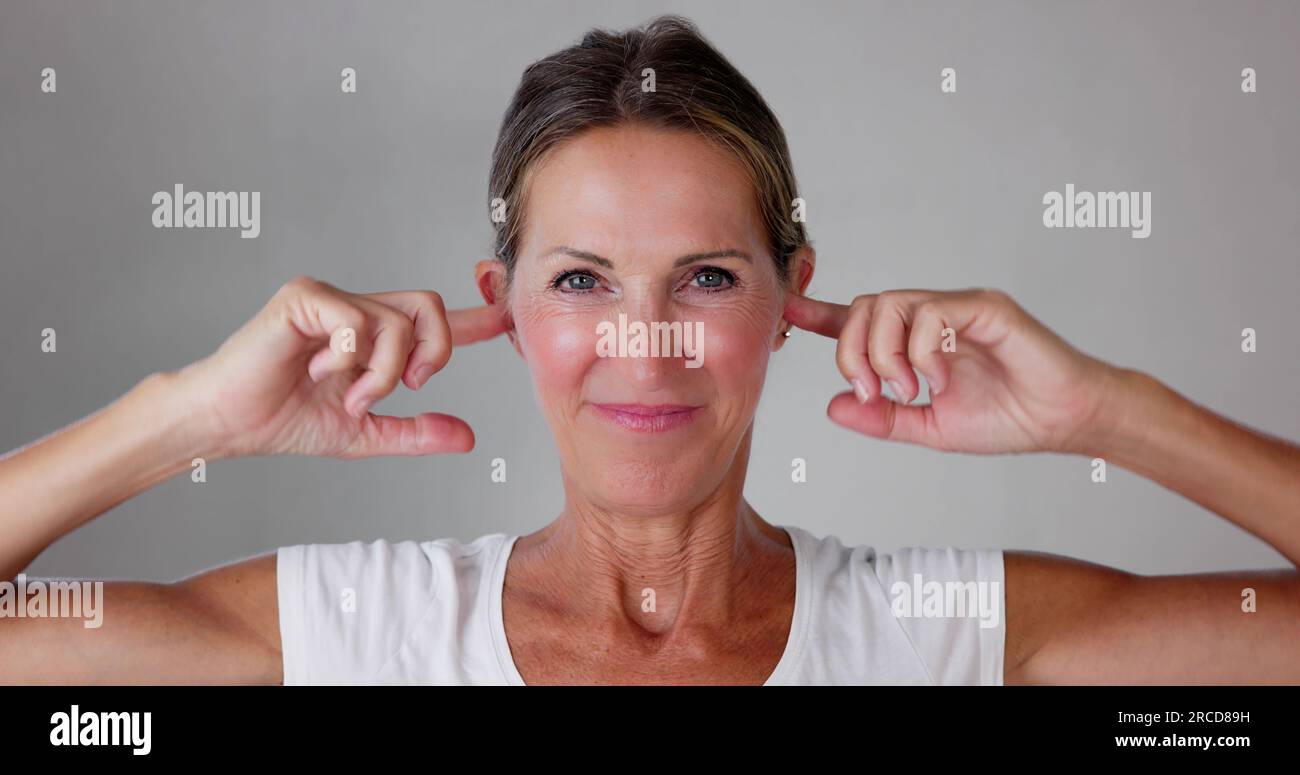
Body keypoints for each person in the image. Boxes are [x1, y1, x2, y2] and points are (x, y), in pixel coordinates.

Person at [2, 15, 1297, 685]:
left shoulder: (948, 631)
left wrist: (1106, 414)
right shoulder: (354, 632)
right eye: (580, 279)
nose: (642, 334)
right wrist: (193, 417)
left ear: (792, 296)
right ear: (501, 305)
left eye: (708, 276)